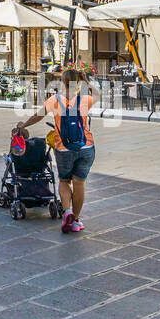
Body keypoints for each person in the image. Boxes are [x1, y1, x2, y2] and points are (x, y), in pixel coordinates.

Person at [16, 66, 96, 234]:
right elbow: (98, 94)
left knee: (64, 181)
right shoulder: (84, 99)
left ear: (62, 82)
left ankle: (67, 212)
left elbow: (38, 116)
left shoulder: (55, 100)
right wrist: (86, 79)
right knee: (79, 183)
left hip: (63, 148)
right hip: (86, 146)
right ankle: (76, 220)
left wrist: (23, 125)